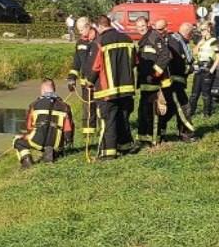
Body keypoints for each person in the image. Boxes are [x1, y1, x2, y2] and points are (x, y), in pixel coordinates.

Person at [87, 15, 138, 159]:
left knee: (108, 120)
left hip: (107, 90)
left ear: (99, 26)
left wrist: (90, 81)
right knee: (123, 117)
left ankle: (108, 153)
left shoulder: (100, 41)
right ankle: (125, 146)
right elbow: (135, 61)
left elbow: (96, 67)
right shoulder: (128, 39)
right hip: (127, 89)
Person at [13, 78, 74, 168]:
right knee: (53, 144)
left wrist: (24, 136)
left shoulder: (34, 105)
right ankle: (52, 152)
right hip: (56, 143)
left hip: (37, 141)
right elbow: (68, 130)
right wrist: (66, 144)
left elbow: (29, 127)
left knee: (17, 141)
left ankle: (27, 162)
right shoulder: (65, 106)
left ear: (42, 90)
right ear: (54, 89)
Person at [134, 16, 172, 147]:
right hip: (145, 82)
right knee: (143, 110)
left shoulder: (154, 36)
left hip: (154, 82)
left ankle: (154, 139)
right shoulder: (143, 40)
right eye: (138, 27)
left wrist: (156, 72)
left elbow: (166, 55)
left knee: (152, 111)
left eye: (143, 26)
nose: (141, 29)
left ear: (148, 24)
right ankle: (143, 137)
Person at [158, 22, 196, 143]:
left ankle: (160, 133)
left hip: (175, 82)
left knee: (171, 109)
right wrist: (190, 68)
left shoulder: (178, 40)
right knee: (184, 107)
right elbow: (178, 64)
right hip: (173, 82)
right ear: (189, 34)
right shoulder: (176, 42)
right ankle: (186, 134)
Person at [67, 17, 99, 136]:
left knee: (100, 106)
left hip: (98, 80)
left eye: (81, 30)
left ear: (88, 26)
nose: (80, 33)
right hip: (85, 81)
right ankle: (88, 132)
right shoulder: (80, 42)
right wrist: (72, 77)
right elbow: (76, 62)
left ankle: (102, 130)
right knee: (87, 106)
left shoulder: (98, 40)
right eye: (78, 30)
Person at [190, 21, 219, 117]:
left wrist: (212, 70)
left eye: (203, 29)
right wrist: (199, 44)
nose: (201, 32)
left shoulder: (214, 41)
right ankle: (191, 112)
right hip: (199, 67)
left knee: (206, 93)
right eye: (200, 30)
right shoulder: (201, 41)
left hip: (208, 67)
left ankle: (206, 113)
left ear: (208, 30)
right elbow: (194, 52)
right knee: (194, 93)